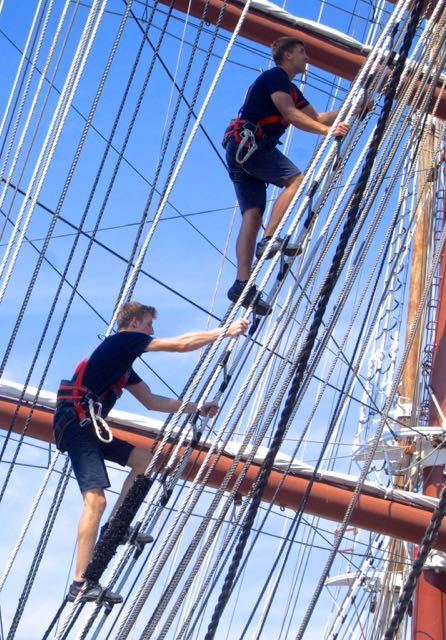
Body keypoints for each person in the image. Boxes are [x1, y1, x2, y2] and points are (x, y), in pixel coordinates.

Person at [53, 301, 248, 603]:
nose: (151, 330)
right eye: (148, 324)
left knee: (145, 461)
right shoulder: (123, 341)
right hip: (77, 424)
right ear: (133, 324)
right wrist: (225, 332)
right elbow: (180, 344)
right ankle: (79, 582)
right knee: (96, 499)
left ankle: (115, 528)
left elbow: (150, 400)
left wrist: (196, 407)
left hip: (87, 424)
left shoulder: (122, 364)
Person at [223, 36, 349, 315]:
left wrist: (350, 110)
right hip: (250, 145)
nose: (307, 57)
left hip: (244, 148)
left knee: (252, 215)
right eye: (302, 52)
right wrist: (328, 133)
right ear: (288, 55)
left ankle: (241, 283)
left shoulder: (291, 88)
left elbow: (316, 118)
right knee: (296, 180)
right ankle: (269, 240)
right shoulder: (275, 77)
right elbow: (290, 115)